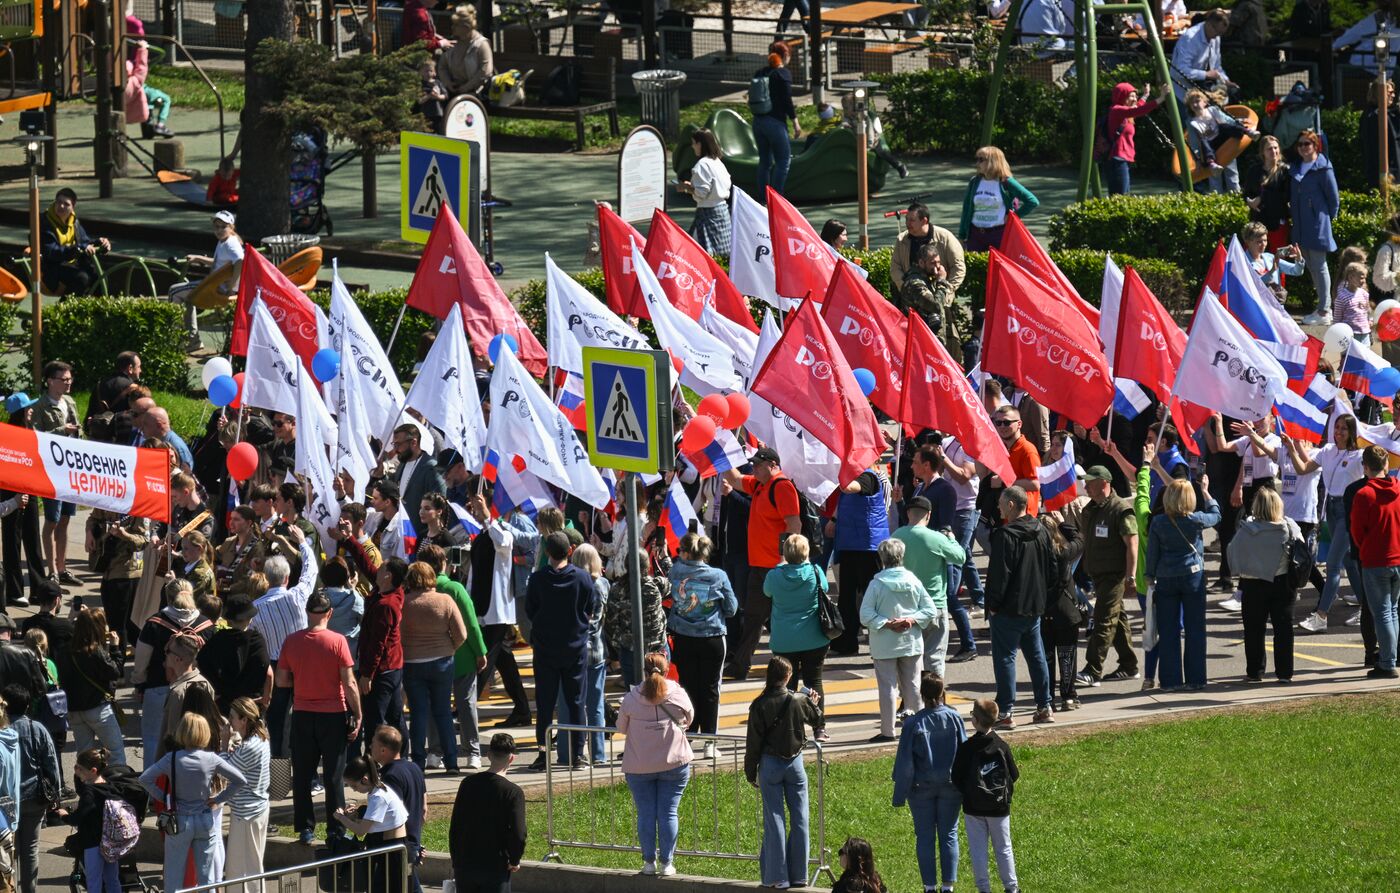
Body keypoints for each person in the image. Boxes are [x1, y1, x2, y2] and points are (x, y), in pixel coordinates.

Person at [276, 589, 362, 845]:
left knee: (302, 774)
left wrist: (301, 679)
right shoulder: (338, 641)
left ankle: (305, 827)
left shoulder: (292, 641)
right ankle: (336, 829)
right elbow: (349, 683)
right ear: (329, 613)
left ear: (307, 613)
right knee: (334, 775)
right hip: (333, 714)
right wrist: (357, 713)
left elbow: (282, 680)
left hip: (303, 713)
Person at [139, 713, 246, 893]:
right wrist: (218, 799)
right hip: (205, 818)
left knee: (174, 877)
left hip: (179, 820)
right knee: (208, 878)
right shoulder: (212, 759)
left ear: (182, 732)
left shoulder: (171, 758)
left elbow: (144, 779)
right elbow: (240, 780)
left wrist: (165, 799)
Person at [722, 449, 801, 680]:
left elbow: (793, 525)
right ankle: (742, 665)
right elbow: (735, 479)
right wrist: (718, 453)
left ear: (773, 464)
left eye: (758, 464)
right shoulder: (760, 485)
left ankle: (789, 665)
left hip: (776, 567)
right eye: (753, 464)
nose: (754, 468)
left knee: (774, 618)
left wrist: (785, 561)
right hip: (760, 567)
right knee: (755, 617)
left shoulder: (782, 486)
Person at [744, 657, 821, 891]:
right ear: (787, 676)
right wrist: (814, 703)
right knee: (800, 817)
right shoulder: (798, 700)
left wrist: (750, 772)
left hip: (769, 764)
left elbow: (753, 743)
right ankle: (800, 875)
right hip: (795, 763)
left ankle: (778, 877)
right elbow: (817, 719)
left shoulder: (759, 704)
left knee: (775, 819)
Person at [617, 652, 694, 876]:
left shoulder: (632, 697)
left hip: (639, 766)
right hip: (674, 763)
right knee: (669, 812)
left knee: (646, 813)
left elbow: (621, 728)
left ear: (643, 671)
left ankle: (648, 862)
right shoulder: (677, 693)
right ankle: (667, 863)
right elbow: (689, 718)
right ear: (667, 669)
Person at [525, 531, 598, 770]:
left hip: (545, 650)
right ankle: (578, 754)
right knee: (576, 702)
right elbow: (590, 609)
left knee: (545, 704)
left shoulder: (537, 579)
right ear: (570, 551)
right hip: (575, 649)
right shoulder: (583, 579)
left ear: (547, 552)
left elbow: (530, 611)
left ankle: (543, 753)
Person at [1284, 418, 1364, 632]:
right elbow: (1302, 469)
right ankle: (1367, 609)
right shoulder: (1327, 450)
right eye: (1336, 428)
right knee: (1348, 561)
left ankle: (1322, 615)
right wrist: (1292, 448)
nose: (1339, 432)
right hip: (1330, 508)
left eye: (1344, 429)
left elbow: (1376, 472)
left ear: (1352, 432)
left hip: (1348, 510)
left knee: (1332, 563)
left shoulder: (1359, 455)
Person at [984, 487, 1054, 728]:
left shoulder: (1006, 535)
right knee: (1036, 657)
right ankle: (1044, 706)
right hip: (1034, 606)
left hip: (1007, 609)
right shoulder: (1042, 530)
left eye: (1002, 504)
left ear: (1012, 505)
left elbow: (999, 575)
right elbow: (1052, 568)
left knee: (1005, 658)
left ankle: (1005, 711)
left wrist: (992, 605)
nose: (998, 508)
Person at [892, 673, 966, 893]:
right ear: (942, 693)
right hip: (951, 785)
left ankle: (929, 886)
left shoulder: (913, 723)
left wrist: (899, 795)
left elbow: (905, 764)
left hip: (921, 788)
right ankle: (948, 886)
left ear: (921, 695)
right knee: (949, 834)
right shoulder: (954, 718)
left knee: (924, 836)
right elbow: (964, 752)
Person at [1145, 478, 1221, 690]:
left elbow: (1153, 553)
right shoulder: (1196, 519)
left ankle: (1170, 681)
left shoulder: (1159, 522)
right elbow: (1216, 515)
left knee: (1168, 632)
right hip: (1192, 576)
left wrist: (1149, 575)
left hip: (1166, 577)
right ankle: (1196, 679)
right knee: (1195, 629)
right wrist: (1206, 492)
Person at [860, 538, 936, 743]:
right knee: (913, 685)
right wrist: (911, 619)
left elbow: (865, 615)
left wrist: (886, 623)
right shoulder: (913, 581)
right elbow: (930, 610)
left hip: (884, 644)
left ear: (882, 558)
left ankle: (888, 730)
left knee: (887, 687)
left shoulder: (877, 584)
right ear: (902, 556)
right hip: (910, 642)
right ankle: (918, 728)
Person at [668, 533, 737, 747]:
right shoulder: (718, 575)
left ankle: (688, 735)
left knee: (687, 686)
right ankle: (710, 741)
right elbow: (732, 608)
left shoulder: (675, 571)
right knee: (711, 689)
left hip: (683, 637)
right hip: (712, 637)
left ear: (686, 551)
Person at [1227, 488, 1301, 683]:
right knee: (1283, 629)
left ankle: (1255, 671)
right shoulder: (1288, 526)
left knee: (1253, 629)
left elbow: (1231, 552)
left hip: (1253, 583)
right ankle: (1285, 673)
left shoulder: (1247, 529)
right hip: (1282, 582)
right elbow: (1302, 549)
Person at [401, 560, 468, 773]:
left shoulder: (405, 602)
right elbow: (462, 634)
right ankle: (451, 761)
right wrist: (450, 648)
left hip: (413, 662)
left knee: (418, 714)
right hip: (442, 660)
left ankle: (418, 761)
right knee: (443, 713)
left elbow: (399, 636)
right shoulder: (445, 600)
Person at [764, 534, 832, 743]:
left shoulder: (774, 575)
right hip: (814, 637)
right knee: (814, 681)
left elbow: (767, 592)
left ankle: (789, 729)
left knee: (786, 685)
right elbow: (826, 588)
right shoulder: (815, 571)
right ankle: (818, 727)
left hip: (784, 639)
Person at [1076, 466, 1140, 686]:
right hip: (1098, 574)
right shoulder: (1091, 509)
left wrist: (1130, 577)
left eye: (1090, 482)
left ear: (1104, 483)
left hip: (1115, 575)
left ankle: (1093, 669)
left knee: (1103, 620)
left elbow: (1132, 543)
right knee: (1117, 619)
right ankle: (1129, 665)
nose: (1085, 486)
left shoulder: (1120, 509)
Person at [892, 497, 966, 679]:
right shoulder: (937, 539)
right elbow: (960, 557)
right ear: (929, 515)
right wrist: (952, 540)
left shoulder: (896, 536)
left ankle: (909, 700)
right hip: (934, 605)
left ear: (908, 513)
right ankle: (935, 701)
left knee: (909, 659)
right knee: (934, 659)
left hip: (905, 606)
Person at [951, 699, 1020, 893]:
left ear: (975, 720)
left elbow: (956, 776)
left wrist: (969, 793)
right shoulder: (1002, 745)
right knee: (1004, 848)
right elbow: (1014, 775)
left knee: (978, 851)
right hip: (999, 808)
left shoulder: (967, 748)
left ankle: (984, 888)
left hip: (973, 808)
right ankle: (1012, 888)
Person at [829, 460, 893, 657]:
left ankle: (880, 643)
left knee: (872, 596)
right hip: (851, 544)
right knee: (847, 597)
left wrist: (836, 472)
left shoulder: (868, 478)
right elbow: (844, 498)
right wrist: (833, 520)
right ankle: (846, 643)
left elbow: (848, 488)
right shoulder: (856, 477)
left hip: (869, 547)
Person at [449, 733, 526, 892]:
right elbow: (519, 832)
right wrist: (514, 858)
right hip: (495, 865)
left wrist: (456, 859)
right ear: (511, 758)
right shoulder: (513, 792)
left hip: (465, 863)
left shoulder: (467, 783)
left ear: (489, 755)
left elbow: (455, 825)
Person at [61, 746, 143, 893]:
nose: (76, 771)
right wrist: (79, 774)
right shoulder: (110, 787)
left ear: (92, 771)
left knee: (94, 883)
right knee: (112, 880)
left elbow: (78, 818)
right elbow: (83, 787)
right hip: (111, 842)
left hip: (93, 844)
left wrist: (64, 816)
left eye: (79, 769)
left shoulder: (89, 793)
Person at [2, 683, 59, 893]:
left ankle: (10, 888)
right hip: (35, 796)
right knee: (31, 849)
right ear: (28, 706)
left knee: (9, 850)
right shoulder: (37, 729)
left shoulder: (3, 731)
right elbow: (51, 764)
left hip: (6, 800)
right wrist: (56, 793)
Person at [1349, 445, 1400, 679]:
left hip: (1376, 560)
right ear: (1386, 465)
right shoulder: (1398, 489)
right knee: (1393, 611)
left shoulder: (1364, 494)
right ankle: (1393, 655)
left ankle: (1388, 661)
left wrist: (1365, 548)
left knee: (1382, 613)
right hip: (1397, 557)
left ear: (1366, 467)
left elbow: (1357, 531)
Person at [167, 211, 244, 351]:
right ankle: (193, 340)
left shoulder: (230, 244)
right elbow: (218, 263)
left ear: (231, 227)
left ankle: (173, 339)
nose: (219, 230)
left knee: (174, 291)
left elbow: (240, 260)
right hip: (214, 285)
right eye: (216, 227)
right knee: (188, 298)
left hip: (216, 290)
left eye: (223, 227)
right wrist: (199, 258)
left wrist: (230, 287)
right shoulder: (224, 241)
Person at [32, 361, 79, 583]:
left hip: (70, 469)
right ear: (50, 381)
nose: (68, 383)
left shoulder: (70, 402)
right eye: (64, 379)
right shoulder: (39, 407)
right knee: (52, 520)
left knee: (66, 519)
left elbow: (77, 431)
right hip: (51, 471)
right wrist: (62, 430)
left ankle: (62, 567)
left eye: (70, 379)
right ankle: (51, 571)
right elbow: (36, 438)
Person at [62, 608, 126, 766]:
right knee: (115, 752)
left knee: (84, 755)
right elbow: (115, 671)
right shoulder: (96, 651)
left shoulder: (66, 649)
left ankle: (87, 788)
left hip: (74, 709)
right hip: (97, 708)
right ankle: (118, 786)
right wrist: (115, 648)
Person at [334, 756, 410, 887]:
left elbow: (361, 831)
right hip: (387, 844)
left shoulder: (378, 797)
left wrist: (342, 818)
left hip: (391, 848)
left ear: (364, 779)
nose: (353, 790)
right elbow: (374, 824)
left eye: (354, 785)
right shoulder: (378, 790)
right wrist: (354, 817)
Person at [371, 725, 427, 893]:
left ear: (383, 750)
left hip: (395, 846)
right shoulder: (415, 768)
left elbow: (391, 816)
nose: (370, 747)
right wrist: (415, 841)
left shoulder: (390, 776)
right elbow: (424, 809)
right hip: (410, 843)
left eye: (372, 744)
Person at [1293, 129, 1340, 326]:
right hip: (1301, 225)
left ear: (1315, 145)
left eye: (1307, 144)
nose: (1303, 148)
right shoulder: (1295, 168)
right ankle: (1322, 306)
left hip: (1317, 224)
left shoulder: (1323, 168)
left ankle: (1324, 310)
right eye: (1300, 144)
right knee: (1311, 265)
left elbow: (1333, 198)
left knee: (1320, 266)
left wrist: (1326, 219)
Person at [222, 697, 270, 893]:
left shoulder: (250, 746)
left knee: (243, 867)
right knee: (250, 862)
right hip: (254, 809)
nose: (230, 721)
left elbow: (224, 769)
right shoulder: (261, 737)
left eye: (232, 717)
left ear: (244, 720)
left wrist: (225, 742)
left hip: (247, 814)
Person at [957, 146, 1039, 251]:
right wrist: (962, 235)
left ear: (993, 161)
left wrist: (1013, 216)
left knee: (998, 266)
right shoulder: (974, 182)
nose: (977, 164)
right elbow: (966, 208)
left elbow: (1032, 201)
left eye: (981, 160)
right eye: (977, 159)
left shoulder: (1006, 182)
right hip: (975, 235)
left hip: (998, 235)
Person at [1101, 82, 1169, 196]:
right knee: (1120, 195)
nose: (1134, 99)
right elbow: (1137, 110)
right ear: (1122, 96)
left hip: (1123, 158)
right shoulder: (1116, 110)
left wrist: (1146, 95)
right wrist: (1161, 98)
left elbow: (1137, 107)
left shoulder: (1125, 112)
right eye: (1131, 96)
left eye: (1135, 96)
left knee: (1123, 193)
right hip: (1117, 158)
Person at [1183, 89, 1257, 191]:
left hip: (1223, 145)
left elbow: (1228, 121)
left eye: (1197, 101)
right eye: (1192, 103)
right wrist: (1197, 160)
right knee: (1214, 178)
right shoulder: (1192, 123)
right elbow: (1195, 143)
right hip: (1210, 149)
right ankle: (1212, 165)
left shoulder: (1213, 110)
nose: (1195, 104)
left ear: (1204, 102)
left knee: (1232, 174)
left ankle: (1248, 132)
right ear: (1190, 107)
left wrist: (1242, 121)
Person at [39, 188, 110, 295]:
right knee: (82, 278)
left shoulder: (74, 222)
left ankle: (96, 309)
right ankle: (65, 308)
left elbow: (84, 242)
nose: (61, 206)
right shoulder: (45, 223)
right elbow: (51, 251)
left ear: (73, 207)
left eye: (66, 204)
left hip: (72, 265)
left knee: (100, 277)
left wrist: (99, 243)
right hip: (52, 268)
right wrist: (76, 249)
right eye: (58, 202)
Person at [752, 42, 800, 198]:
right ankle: (776, 198)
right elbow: (787, 100)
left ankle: (762, 199)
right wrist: (795, 122)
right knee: (783, 162)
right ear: (785, 56)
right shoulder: (783, 74)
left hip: (758, 122)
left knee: (764, 162)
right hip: (775, 123)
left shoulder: (760, 73)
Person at [890, 201, 966, 296]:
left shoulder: (945, 237)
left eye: (912, 220)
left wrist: (947, 290)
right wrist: (905, 288)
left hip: (940, 298)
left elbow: (958, 267)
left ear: (924, 221)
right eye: (906, 219)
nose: (907, 223)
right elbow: (895, 267)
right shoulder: (901, 239)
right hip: (911, 298)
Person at [680, 128, 732, 255]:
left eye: (694, 143)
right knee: (723, 252)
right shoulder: (717, 162)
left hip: (708, 213)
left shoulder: (702, 165)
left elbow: (702, 192)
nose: (692, 146)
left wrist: (687, 188)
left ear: (700, 144)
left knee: (705, 253)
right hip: (722, 211)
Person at [900, 245, 957, 353]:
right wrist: (941, 281)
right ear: (921, 263)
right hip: (921, 343)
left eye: (939, 262)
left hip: (933, 341)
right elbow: (935, 305)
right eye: (933, 263)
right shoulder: (915, 283)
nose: (938, 267)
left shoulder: (928, 279)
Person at [391, 425, 445, 539]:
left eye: (398, 444)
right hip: (402, 534)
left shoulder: (431, 468)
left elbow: (441, 503)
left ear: (413, 443)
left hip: (422, 536)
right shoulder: (402, 465)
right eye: (394, 445)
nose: (395, 450)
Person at [1170, 9, 1233, 104]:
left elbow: (1216, 67)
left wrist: (1226, 81)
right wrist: (1206, 74)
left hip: (1200, 92)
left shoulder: (1215, 37)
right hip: (1181, 92)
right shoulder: (1190, 39)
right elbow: (1180, 70)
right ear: (1208, 24)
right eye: (1217, 32)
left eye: (1220, 34)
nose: (1217, 37)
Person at [1244, 136, 1293, 249]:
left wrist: (1262, 198)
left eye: (1275, 148)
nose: (1273, 151)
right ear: (1263, 152)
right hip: (1258, 223)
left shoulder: (1286, 171)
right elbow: (1246, 193)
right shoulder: (1254, 171)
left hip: (1278, 223)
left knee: (1279, 258)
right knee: (1255, 257)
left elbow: (1286, 196)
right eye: (1269, 149)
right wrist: (1250, 202)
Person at [436, 5, 493, 98]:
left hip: (476, 93)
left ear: (466, 27)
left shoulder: (481, 44)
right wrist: (448, 83)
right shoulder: (453, 43)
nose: (452, 27)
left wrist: (466, 88)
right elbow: (442, 66)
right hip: (453, 91)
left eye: (456, 25)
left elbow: (485, 71)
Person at [1362, 76, 1400, 191]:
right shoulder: (1376, 115)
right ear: (1380, 93)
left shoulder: (1374, 114)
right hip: (1387, 173)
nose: (1393, 95)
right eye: (1390, 92)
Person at [1336, 262, 1374, 345]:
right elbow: (1337, 319)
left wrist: (1370, 320)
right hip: (1349, 335)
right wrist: (1337, 334)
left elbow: (1368, 311)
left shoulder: (1364, 294)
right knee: (1348, 357)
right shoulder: (1341, 297)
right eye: (1361, 278)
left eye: (1365, 278)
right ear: (1351, 277)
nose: (1363, 281)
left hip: (1365, 333)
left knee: (1365, 357)